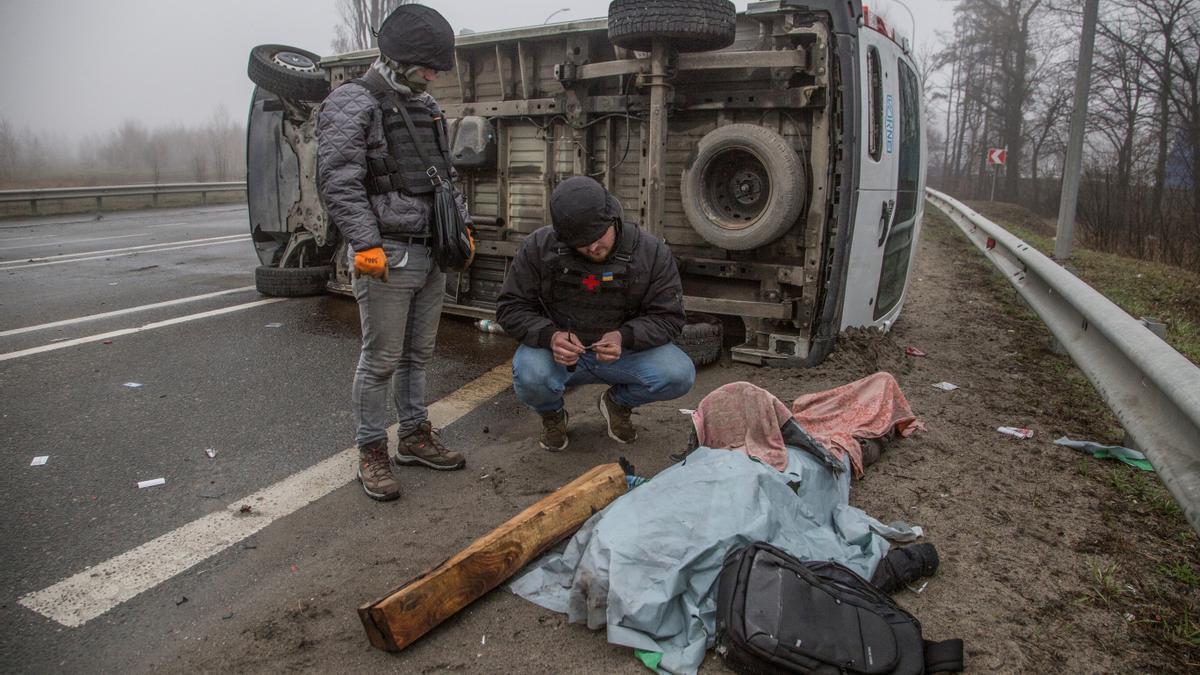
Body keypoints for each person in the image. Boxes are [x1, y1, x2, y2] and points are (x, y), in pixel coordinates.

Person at [316, 4, 470, 501]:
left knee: (417, 356)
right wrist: (365, 243)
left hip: (431, 252)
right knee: (380, 359)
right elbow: (339, 182)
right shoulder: (352, 101)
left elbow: (444, 176)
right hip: (389, 254)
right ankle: (370, 451)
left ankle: (414, 436)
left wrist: (459, 227)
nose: (434, 76)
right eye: (428, 66)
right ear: (400, 58)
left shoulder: (425, 107)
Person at [496, 176, 696, 450]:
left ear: (613, 219)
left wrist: (624, 336)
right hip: (558, 355)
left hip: (622, 353)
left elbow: (669, 318)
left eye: (597, 237)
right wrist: (550, 336)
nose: (592, 248)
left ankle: (617, 403)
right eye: (580, 243)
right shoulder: (539, 247)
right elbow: (510, 307)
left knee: (678, 374)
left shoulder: (651, 253)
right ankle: (553, 415)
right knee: (530, 374)